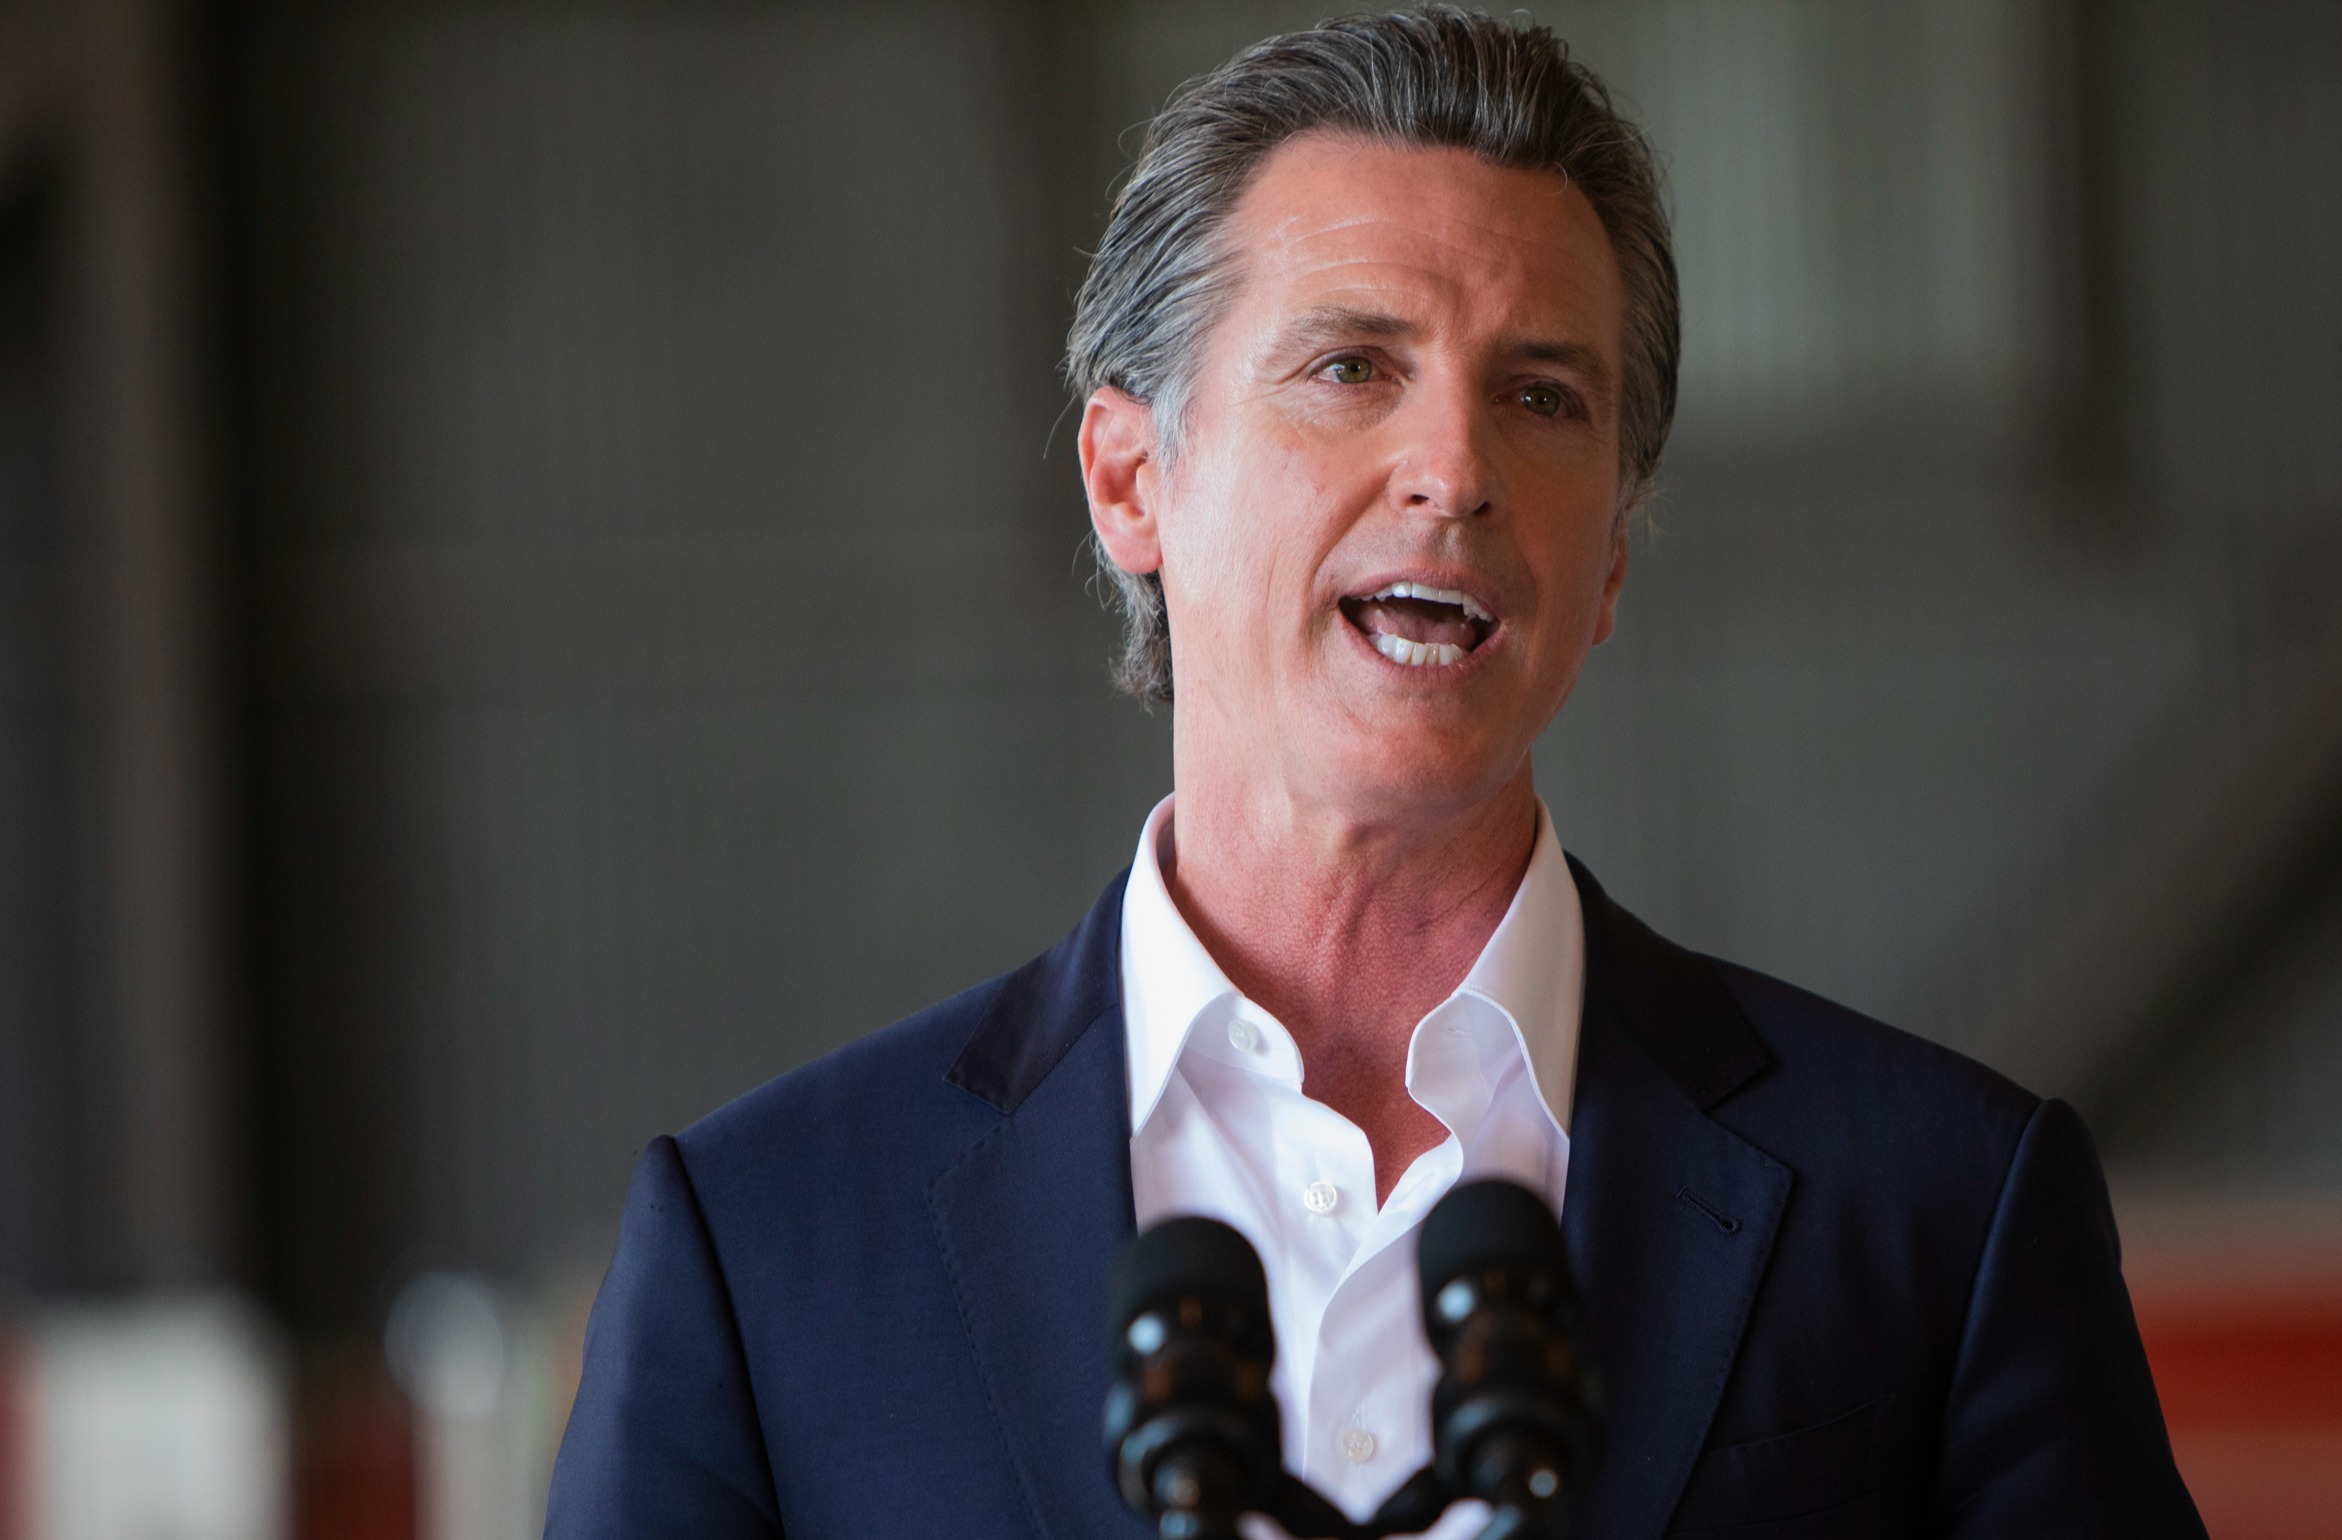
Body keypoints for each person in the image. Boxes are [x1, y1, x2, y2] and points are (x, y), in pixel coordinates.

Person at [544, 9, 2205, 1538]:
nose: (1456, 469)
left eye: (1543, 397)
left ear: (1612, 558)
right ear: (1132, 483)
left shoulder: (1937, 1208)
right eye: (1352, 367)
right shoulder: (766, 1247)